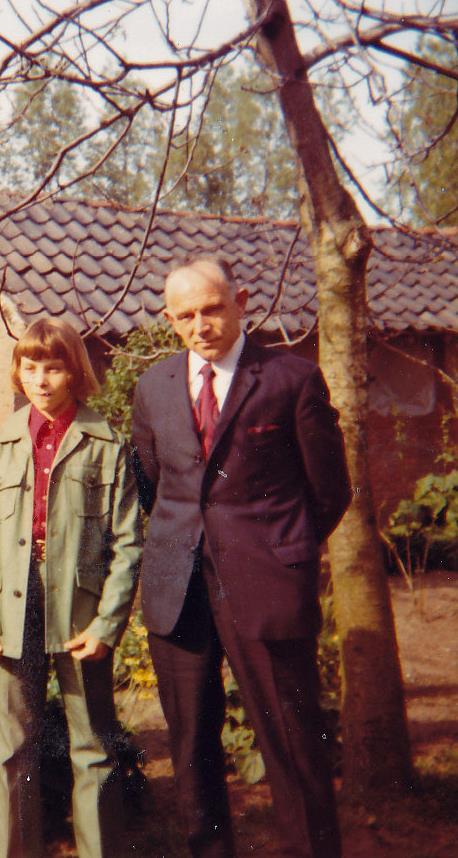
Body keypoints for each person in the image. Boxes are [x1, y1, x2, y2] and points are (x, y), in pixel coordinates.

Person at [131, 255, 352, 858]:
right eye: (184, 316)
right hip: (180, 590)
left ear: (242, 301)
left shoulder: (291, 379)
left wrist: (282, 552)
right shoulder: (152, 388)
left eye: (211, 309)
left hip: (266, 587)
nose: (199, 325)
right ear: (169, 319)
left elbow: (330, 491)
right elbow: (153, 486)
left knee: (293, 745)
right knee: (192, 750)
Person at [0, 317, 142, 858]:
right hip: (15, 604)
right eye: (31, 367)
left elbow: (129, 543)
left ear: (74, 372)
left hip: (80, 611)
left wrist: (107, 623)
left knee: (91, 746)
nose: (41, 380)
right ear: (18, 371)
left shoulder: (106, 444)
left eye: (54, 367)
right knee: (14, 747)